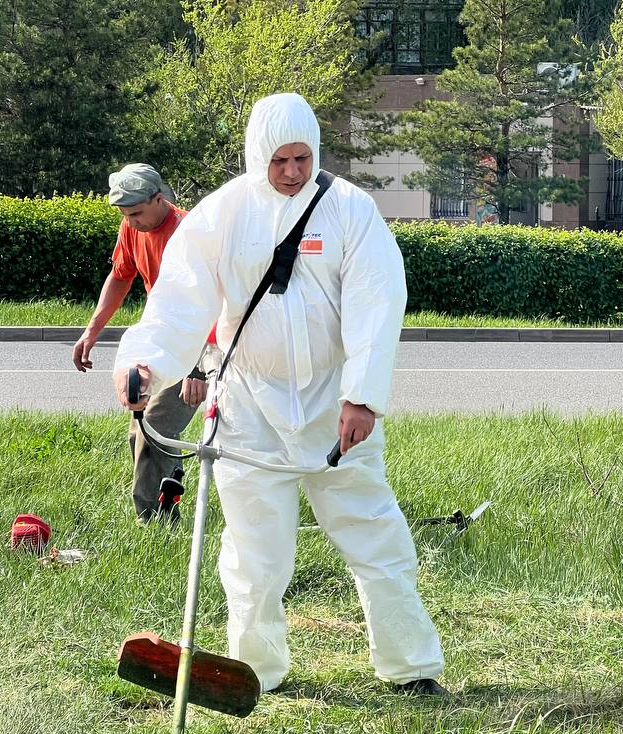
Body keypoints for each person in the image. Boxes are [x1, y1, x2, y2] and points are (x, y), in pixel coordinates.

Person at [111, 93, 446, 696]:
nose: (293, 172)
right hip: (248, 408)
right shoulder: (222, 215)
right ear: (255, 156)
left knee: (377, 537)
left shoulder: (350, 210)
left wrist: (363, 396)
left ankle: (412, 668)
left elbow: (378, 299)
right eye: (279, 160)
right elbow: (178, 301)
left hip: (333, 407)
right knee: (253, 555)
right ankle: (256, 671)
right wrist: (143, 364)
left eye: (303, 158)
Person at [73, 162, 217, 522]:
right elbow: (121, 276)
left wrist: (199, 369)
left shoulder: (190, 232)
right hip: (161, 338)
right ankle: (169, 494)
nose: (131, 221)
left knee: (155, 426)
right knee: (140, 428)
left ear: (159, 199)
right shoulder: (131, 228)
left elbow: (217, 299)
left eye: (136, 212)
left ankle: (149, 521)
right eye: (125, 214)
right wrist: (92, 331)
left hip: (199, 340)